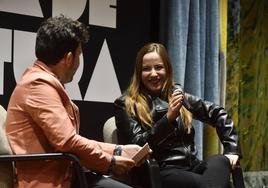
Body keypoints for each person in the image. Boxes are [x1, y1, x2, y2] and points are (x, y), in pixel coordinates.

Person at [5, 15, 149, 188]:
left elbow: (71, 140)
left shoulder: (41, 82)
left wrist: (118, 150)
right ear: (68, 58)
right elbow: (68, 141)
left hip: (68, 175)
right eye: (79, 54)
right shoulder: (38, 85)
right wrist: (110, 161)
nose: (79, 61)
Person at [114, 42, 242, 188]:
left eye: (159, 67)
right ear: (139, 73)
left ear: (167, 70)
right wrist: (167, 119)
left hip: (192, 167)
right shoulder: (125, 103)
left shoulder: (177, 96)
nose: (154, 73)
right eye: (146, 69)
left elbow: (217, 113)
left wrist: (232, 149)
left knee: (221, 160)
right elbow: (137, 146)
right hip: (160, 171)